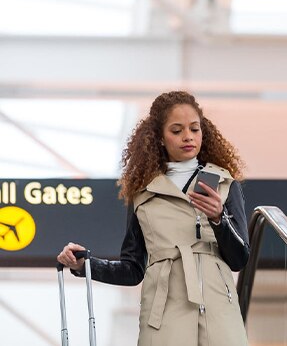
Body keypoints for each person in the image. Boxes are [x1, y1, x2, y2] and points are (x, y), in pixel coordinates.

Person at [57, 91, 250, 346]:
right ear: (160, 137)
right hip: (163, 314)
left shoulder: (223, 184)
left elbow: (239, 258)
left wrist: (218, 218)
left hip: (218, 311)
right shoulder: (143, 193)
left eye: (195, 128)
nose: (188, 137)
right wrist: (86, 265)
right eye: (177, 130)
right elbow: (133, 268)